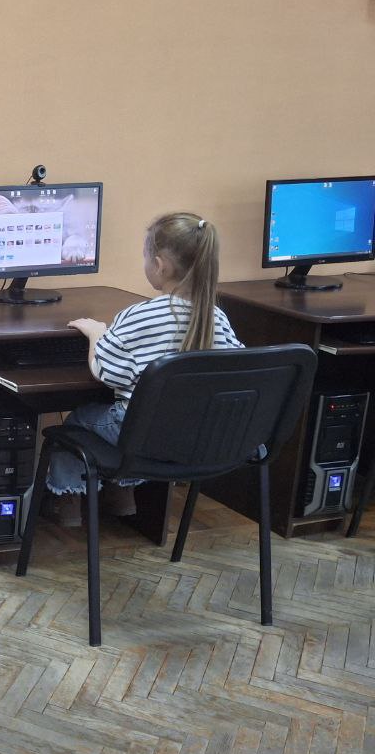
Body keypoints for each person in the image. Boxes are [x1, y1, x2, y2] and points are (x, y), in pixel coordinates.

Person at [48, 212, 243, 523]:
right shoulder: (216, 318)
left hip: (144, 434)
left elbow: (105, 371)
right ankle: (122, 495)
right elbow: (239, 366)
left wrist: (96, 333)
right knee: (139, 420)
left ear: (160, 265)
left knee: (78, 420)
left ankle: (68, 500)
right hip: (199, 436)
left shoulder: (140, 315)